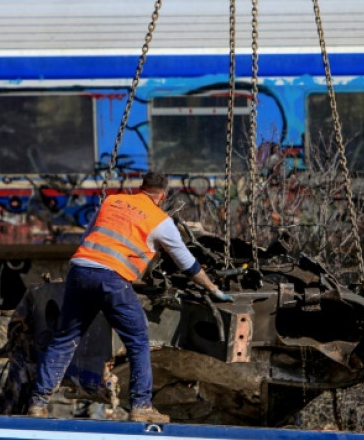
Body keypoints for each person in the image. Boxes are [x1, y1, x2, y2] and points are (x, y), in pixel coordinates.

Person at [27, 172, 231, 422]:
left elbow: (87, 237)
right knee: (138, 339)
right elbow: (186, 263)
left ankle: (38, 403)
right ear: (163, 195)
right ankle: (141, 405)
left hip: (80, 271)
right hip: (111, 280)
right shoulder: (160, 220)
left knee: (65, 337)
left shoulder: (111, 201)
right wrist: (213, 289)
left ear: (141, 188)